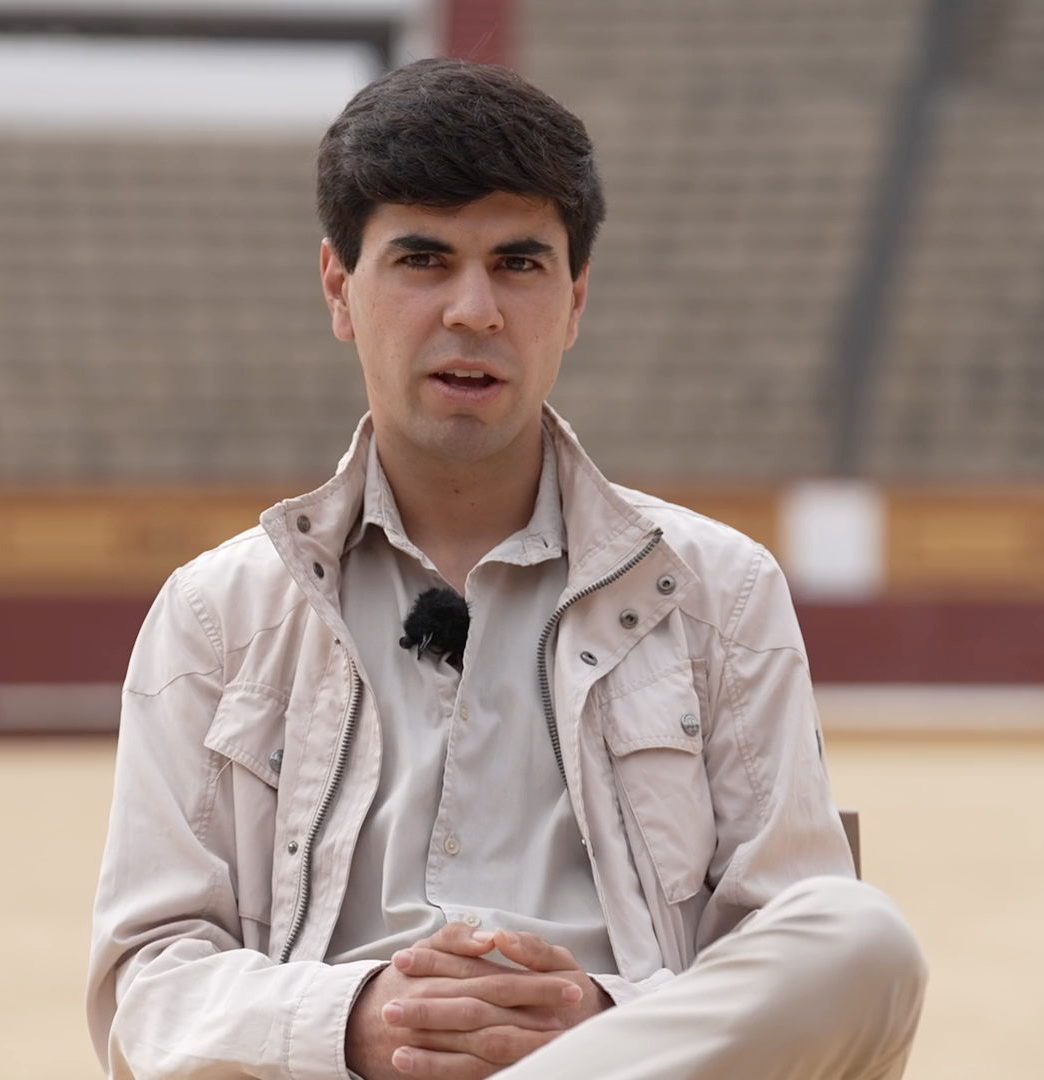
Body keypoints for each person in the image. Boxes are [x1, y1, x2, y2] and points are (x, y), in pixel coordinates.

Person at [87, 58, 927, 1080]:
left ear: (574, 300)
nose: (474, 310)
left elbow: (780, 947)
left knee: (860, 940)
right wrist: (355, 1018)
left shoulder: (721, 592)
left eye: (519, 263)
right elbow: (146, 986)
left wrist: (598, 1016)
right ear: (340, 288)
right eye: (424, 260)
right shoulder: (217, 614)